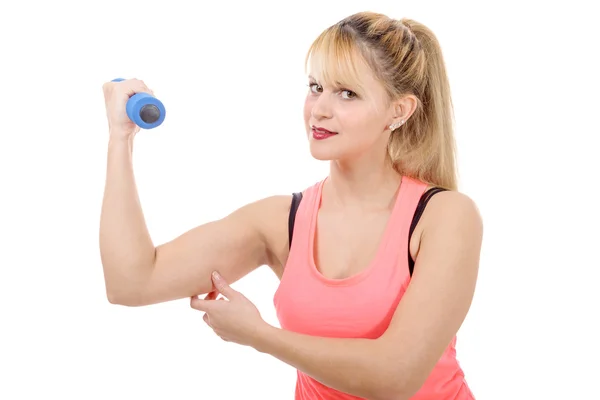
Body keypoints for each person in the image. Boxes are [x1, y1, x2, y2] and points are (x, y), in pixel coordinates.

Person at [100, 11, 483, 400]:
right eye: (316, 87)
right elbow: (131, 282)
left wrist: (260, 335)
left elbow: (397, 375)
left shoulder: (445, 217)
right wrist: (120, 139)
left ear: (399, 111)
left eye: (347, 93)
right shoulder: (283, 221)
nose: (319, 109)